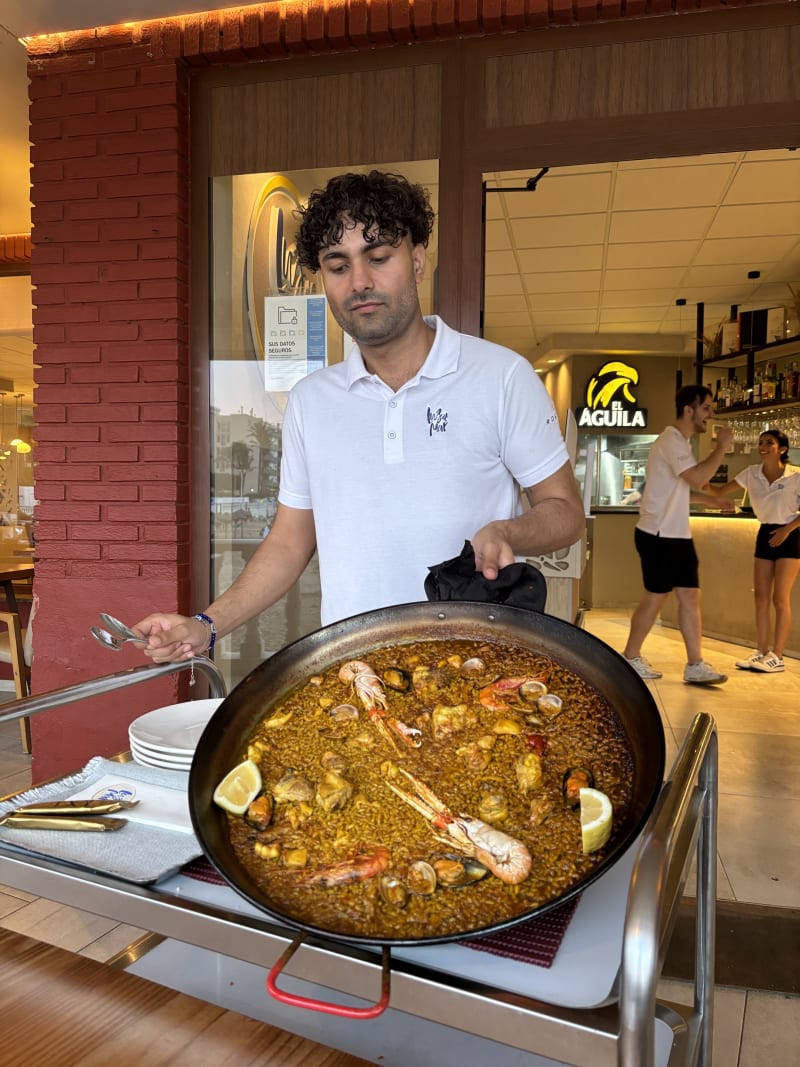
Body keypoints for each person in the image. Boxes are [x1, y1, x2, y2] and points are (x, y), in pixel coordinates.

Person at [133, 170, 585, 662]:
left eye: (379, 257)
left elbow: (564, 512)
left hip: (477, 663)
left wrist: (508, 530)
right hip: (354, 667)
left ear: (417, 261)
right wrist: (207, 626)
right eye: (338, 265)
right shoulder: (311, 401)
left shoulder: (500, 376)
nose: (361, 282)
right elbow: (289, 542)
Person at [622, 384, 733, 685]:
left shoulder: (681, 444)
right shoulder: (671, 441)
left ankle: (695, 664)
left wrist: (714, 501)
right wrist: (720, 446)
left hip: (677, 535)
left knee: (690, 597)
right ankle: (630, 658)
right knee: (655, 598)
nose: (710, 415)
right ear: (689, 410)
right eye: (707, 408)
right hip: (658, 535)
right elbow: (698, 479)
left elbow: (678, 492)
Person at [701, 427, 800, 673]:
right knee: (760, 598)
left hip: (790, 535)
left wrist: (787, 530)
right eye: (761, 442)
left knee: (780, 598)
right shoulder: (751, 473)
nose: (763, 446)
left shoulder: (796, 476)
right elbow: (720, 491)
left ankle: (777, 655)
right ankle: (761, 651)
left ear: (782, 449)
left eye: (769, 442)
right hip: (764, 533)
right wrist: (701, 481)